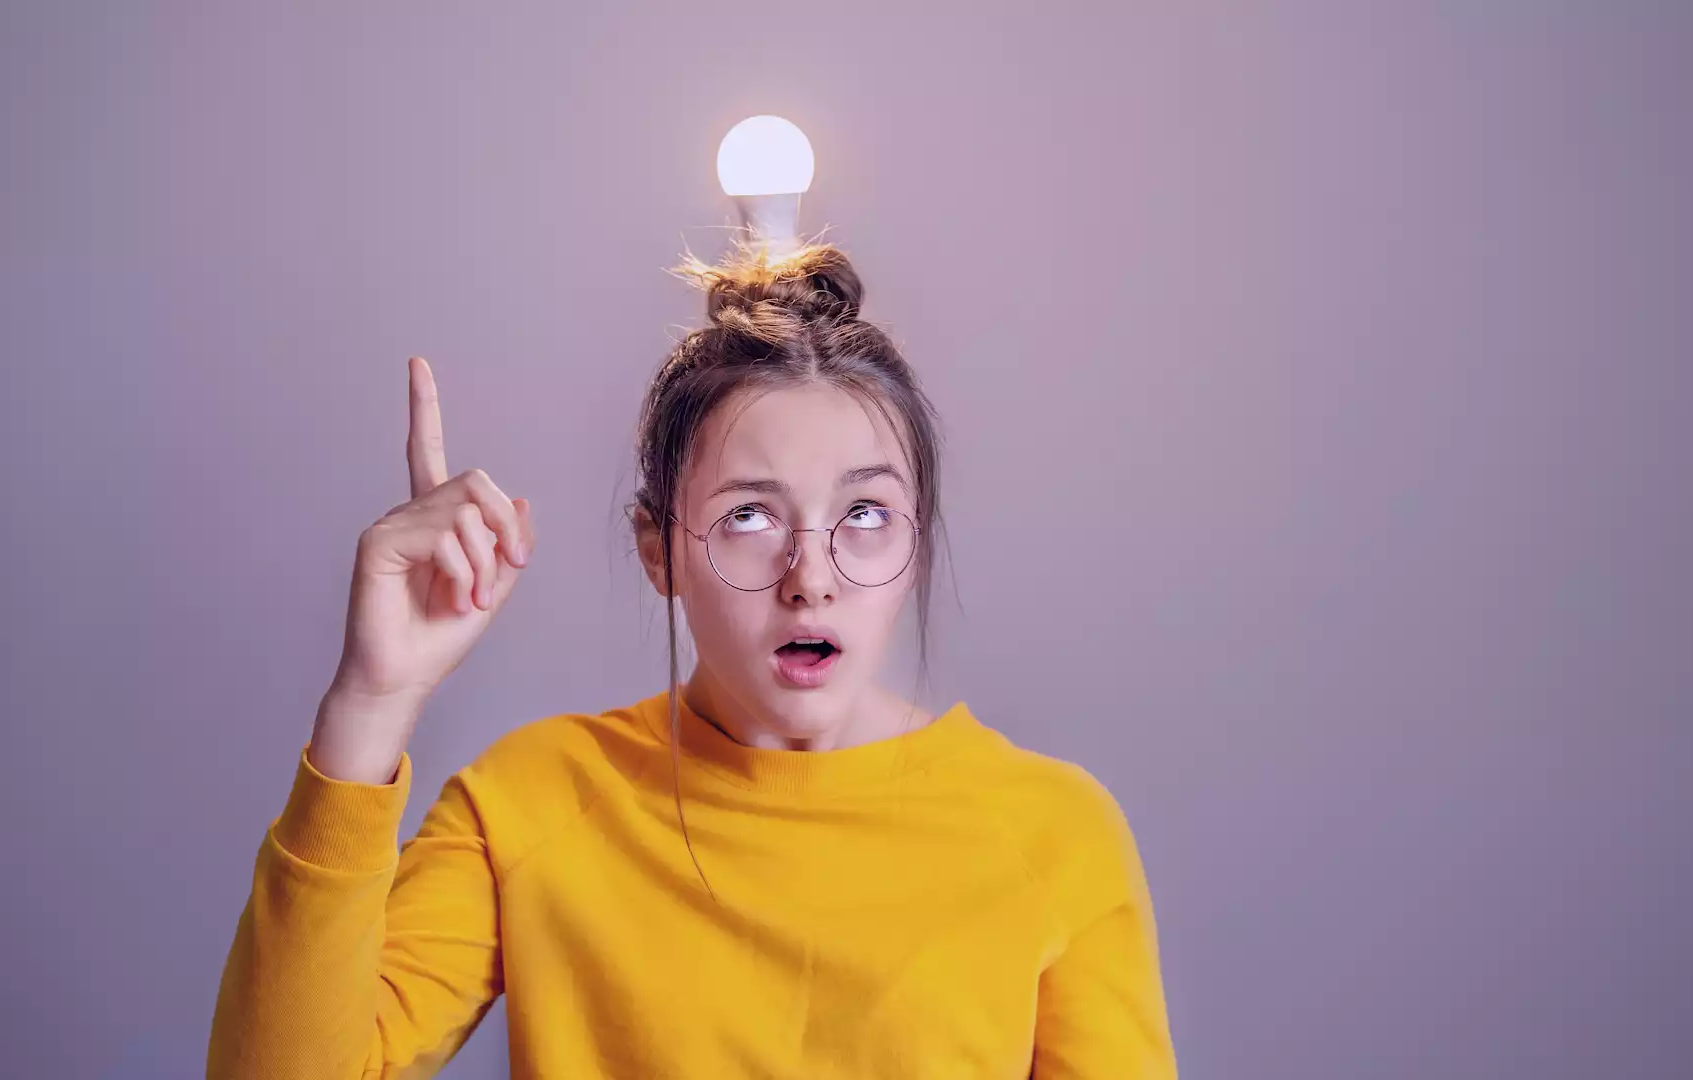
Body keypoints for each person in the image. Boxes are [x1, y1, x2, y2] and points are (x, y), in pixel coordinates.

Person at [205, 245, 1178, 1078]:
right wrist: (373, 701)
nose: (812, 577)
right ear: (656, 548)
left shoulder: (1055, 835)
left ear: (917, 539)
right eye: (749, 515)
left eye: (865, 514)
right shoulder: (534, 803)